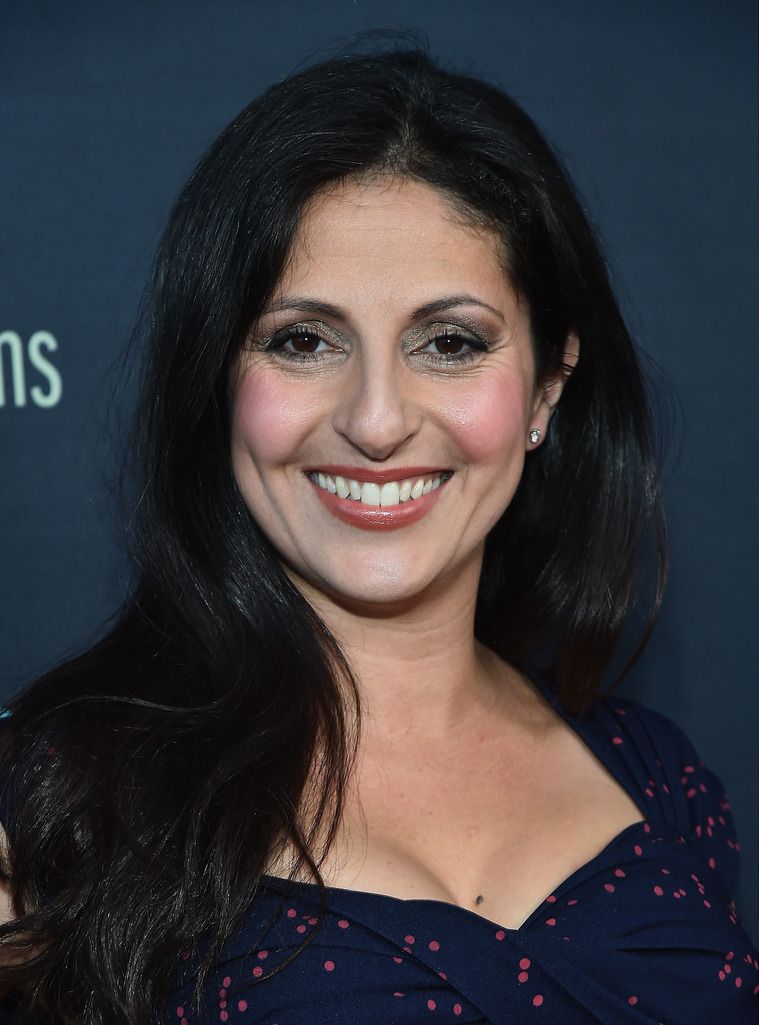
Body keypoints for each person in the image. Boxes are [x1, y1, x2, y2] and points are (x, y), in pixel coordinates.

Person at [0, 46, 756, 1025]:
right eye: (303, 340)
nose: (377, 417)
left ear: (548, 387)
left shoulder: (658, 776)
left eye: (449, 342)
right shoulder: (61, 795)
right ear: (220, 381)